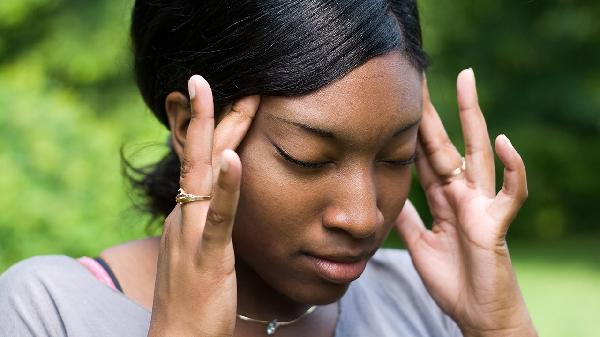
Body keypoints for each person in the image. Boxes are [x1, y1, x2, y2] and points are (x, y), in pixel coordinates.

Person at [0, 0, 538, 336]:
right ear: (192, 126)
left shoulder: (421, 302)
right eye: (307, 158)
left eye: (395, 158)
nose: (361, 216)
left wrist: (499, 325)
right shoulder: (49, 313)